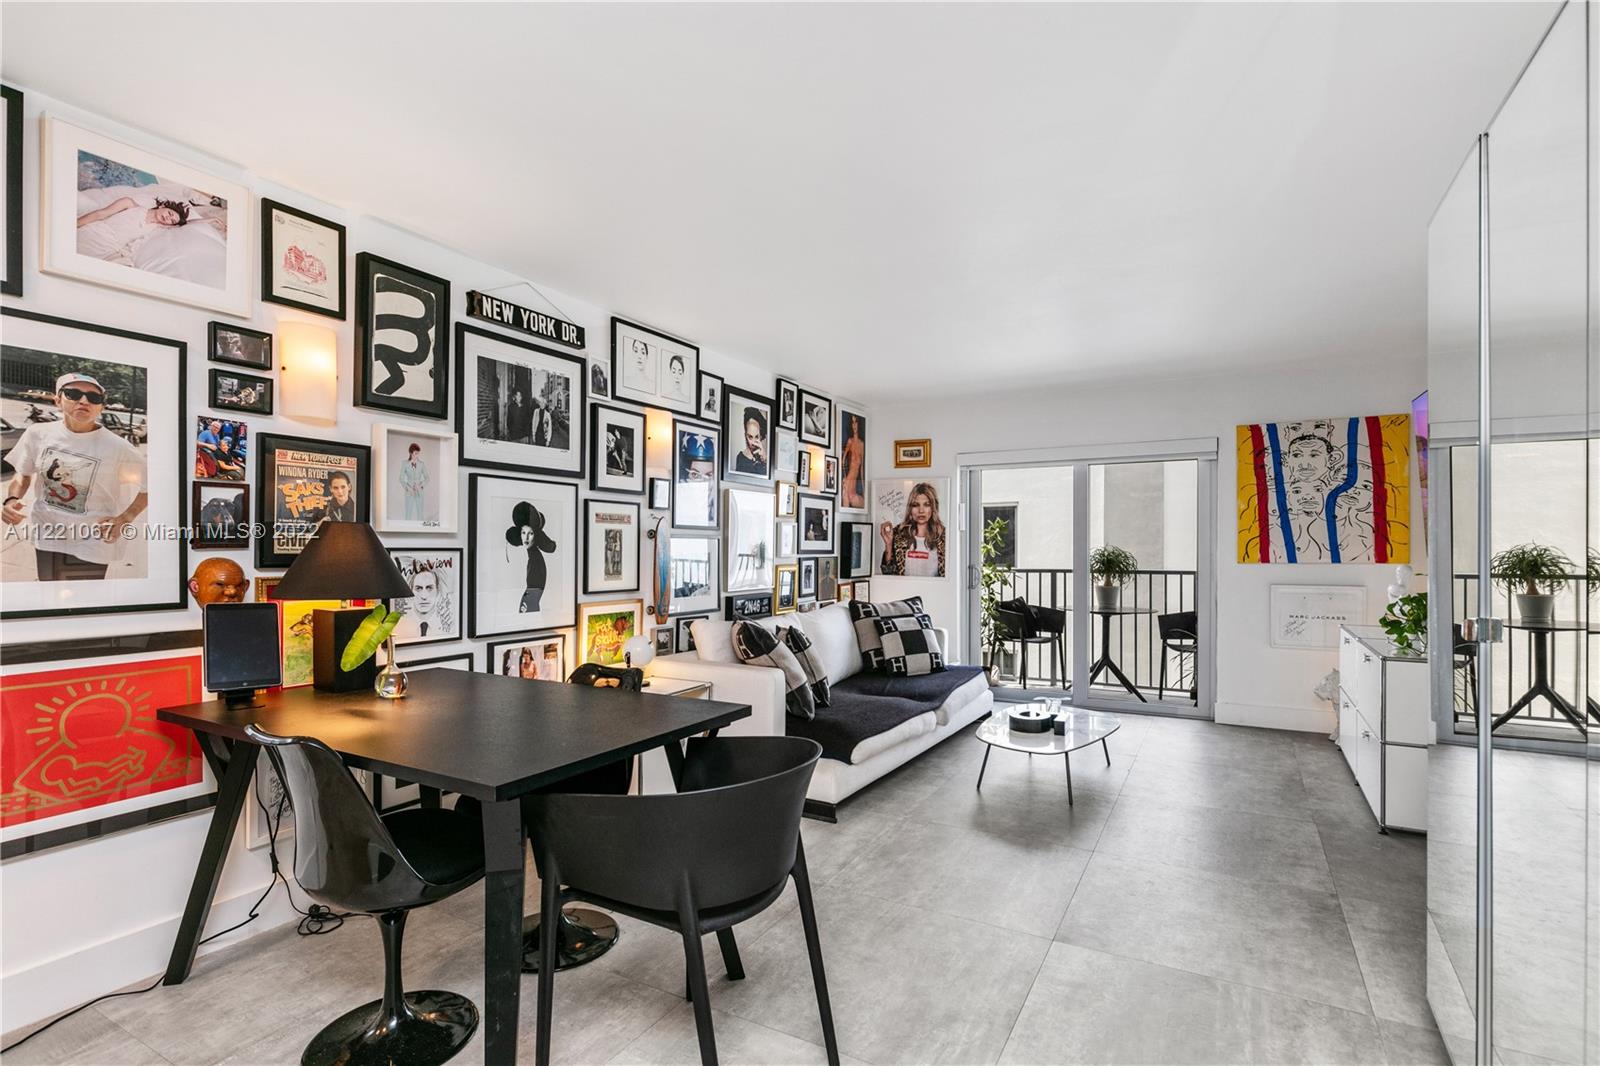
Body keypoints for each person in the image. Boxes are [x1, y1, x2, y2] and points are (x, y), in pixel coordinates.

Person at [2, 372, 148, 581]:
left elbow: (152, 486)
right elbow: (23, 474)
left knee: (84, 597)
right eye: (73, 394)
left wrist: (125, 518)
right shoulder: (38, 433)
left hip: (93, 540)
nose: (84, 401)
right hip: (47, 531)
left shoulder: (119, 447)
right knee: (49, 589)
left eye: (94, 398)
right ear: (58, 400)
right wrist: (12, 499)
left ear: (101, 407)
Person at [879, 481, 946, 577]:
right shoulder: (898, 534)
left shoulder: (944, 537)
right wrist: (888, 545)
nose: (921, 510)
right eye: (915, 505)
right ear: (910, 508)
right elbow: (887, 575)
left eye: (926, 504)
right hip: (903, 587)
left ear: (933, 508)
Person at [506, 501, 557, 612]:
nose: (527, 537)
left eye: (531, 533)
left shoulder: (536, 560)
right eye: (523, 533)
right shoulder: (520, 555)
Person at [398, 442, 429, 522]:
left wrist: (420, 485)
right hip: (409, 492)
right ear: (411, 453)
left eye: (418, 453)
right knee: (408, 514)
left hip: (419, 492)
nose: (417, 456)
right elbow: (401, 478)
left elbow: (427, 478)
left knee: (420, 514)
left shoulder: (422, 464)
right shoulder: (405, 463)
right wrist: (408, 488)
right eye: (415, 453)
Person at [841, 413, 866, 509]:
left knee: (864, 504)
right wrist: (844, 477)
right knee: (845, 508)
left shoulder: (861, 444)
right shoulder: (850, 441)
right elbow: (842, 461)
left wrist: (864, 489)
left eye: (856, 422)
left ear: (859, 424)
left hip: (854, 488)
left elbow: (862, 469)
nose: (854, 425)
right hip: (848, 483)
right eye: (852, 422)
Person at [733, 406, 768, 476]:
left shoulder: (765, 459)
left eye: (757, 437)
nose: (753, 442)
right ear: (745, 435)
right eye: (750, 437)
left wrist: (765, 460)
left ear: (760, 436)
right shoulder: (741, 458)